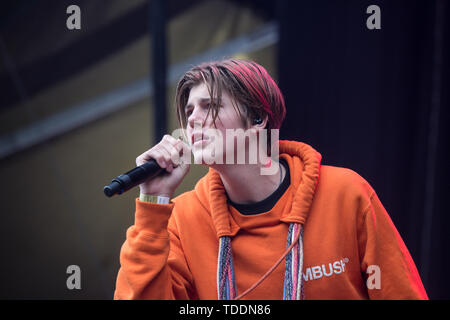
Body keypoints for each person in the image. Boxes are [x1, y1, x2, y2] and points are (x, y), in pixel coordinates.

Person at [114, 59, 428, 300]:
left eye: (210, 105)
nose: (193, 118)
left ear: (258, 119)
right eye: (189, 109)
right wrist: (153, 202)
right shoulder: (182, 219)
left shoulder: (345, 193)